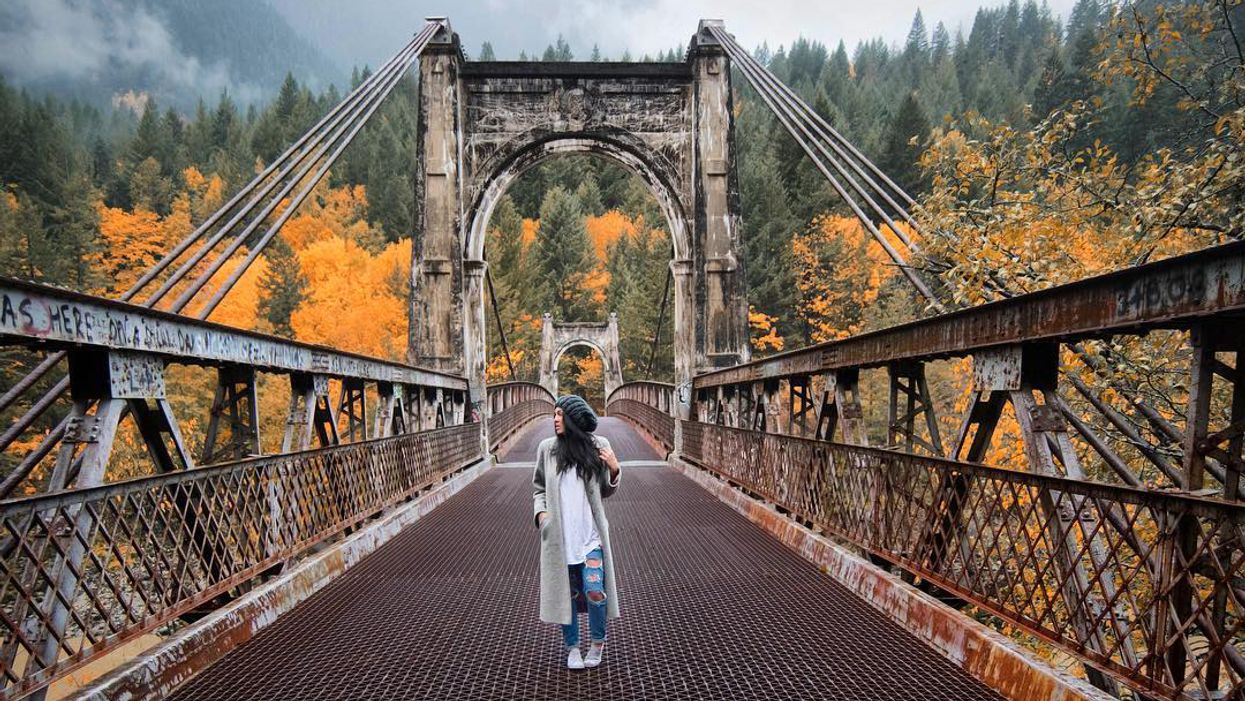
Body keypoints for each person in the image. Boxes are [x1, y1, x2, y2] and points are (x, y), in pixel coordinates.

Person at [532, 395, 622, 670]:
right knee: (566, 595)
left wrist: (615, 468)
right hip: (560, 538)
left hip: (590, 538)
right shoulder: (547, 449)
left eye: (560, 414)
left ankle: (597, 643)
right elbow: (538, 489)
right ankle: (572, 648)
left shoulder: (599, 446)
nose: (555, 419)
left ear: (573, 418)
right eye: (554, 414)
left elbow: (606, 490)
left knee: (595, 591)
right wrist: (542, 516)